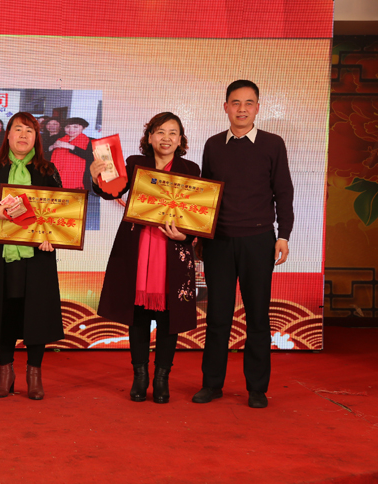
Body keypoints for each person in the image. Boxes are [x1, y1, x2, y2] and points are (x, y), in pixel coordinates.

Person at [192, 80, 294, 409]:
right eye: (235, 103)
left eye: (249, 103)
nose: (242, 109)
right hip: (219, 242)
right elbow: (206, 194)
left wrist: (283, 235)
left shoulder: (273, 144)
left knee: (258, 317)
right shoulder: (213, 145)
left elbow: (284, 192)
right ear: (225, 107)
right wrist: (200, 236)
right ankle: (212, 384)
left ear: (258, 108)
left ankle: (257, 389)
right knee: (217, 316)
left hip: (258, 240)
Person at [92, 112, 200, 403]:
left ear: (180, 139)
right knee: (137, 315)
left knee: (169, 317)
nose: (166, 138)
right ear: (150, 137)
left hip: (173, 250)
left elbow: (197, 211)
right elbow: (110, 192)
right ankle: (140, 376)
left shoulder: (190, 168)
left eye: (173, 133)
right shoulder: (134, 163)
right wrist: (96, 177)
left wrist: (186, 236)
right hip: (137, 247)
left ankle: (162, 379)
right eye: (160, 132)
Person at [0, 112, 64, 400]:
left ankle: (34, 374)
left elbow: (61, 210)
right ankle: (5, 373)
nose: (23, 135)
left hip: (37, 255)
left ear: (37, 138)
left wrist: (52, 237)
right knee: (4, 311)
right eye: (18, 129)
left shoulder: (47, 169)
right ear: (7, 135)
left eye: (29, 131)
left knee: (36, 313)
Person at [49, 117, 94, 191]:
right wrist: (52, 147)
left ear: (84, 128)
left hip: (79, 179)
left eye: (75, 127)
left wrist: (71, 147)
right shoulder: (58, 139)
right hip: (57, 175)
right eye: (68, 127)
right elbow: (46, 155)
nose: (71, 130)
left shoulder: (90, 141)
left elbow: (91, 157)